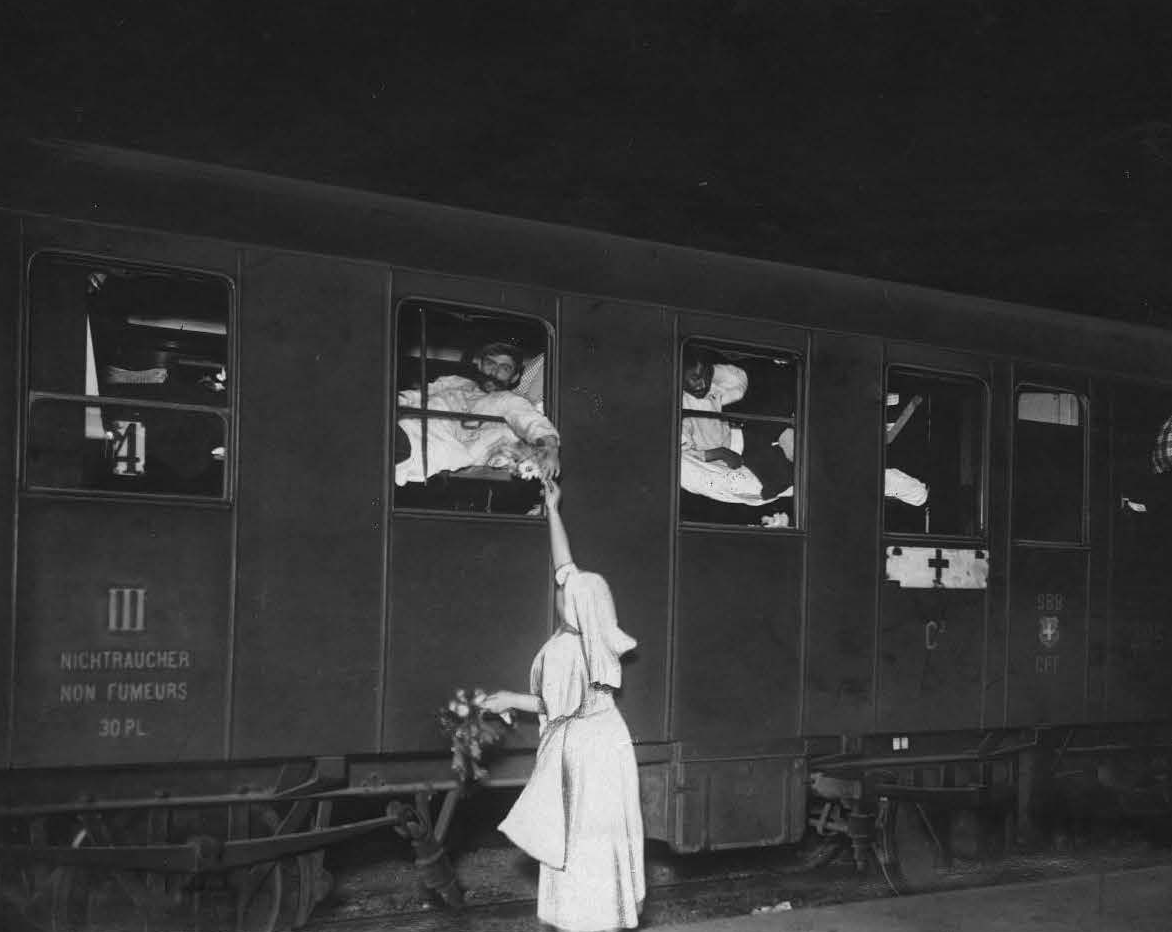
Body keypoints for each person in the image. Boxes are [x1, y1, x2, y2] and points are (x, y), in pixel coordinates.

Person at [482, 480, 645, 932]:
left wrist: (506, 699)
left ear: (572, 608)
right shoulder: (593, 627)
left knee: (575, 845)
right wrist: (553, 510)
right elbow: (566, 567)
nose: (559, 588)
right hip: (609, 746)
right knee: (603, 843)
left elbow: (553, 708)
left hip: (582, 757)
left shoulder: (565, 651)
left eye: (564, 592)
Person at [394, 340, 560, 485]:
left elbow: (530, 421)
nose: (494, 372)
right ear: (480, 364)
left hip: (429, 445)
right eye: (490, 363)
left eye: (505, 368)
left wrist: (550, 447)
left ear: (515, 377)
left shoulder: (508, 401)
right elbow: (411, 396)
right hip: (401, 425)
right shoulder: (453, 382)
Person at [680, 346, 793, 505]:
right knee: (777, 476)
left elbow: (739, 383)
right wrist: (719, 453)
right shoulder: (681, 407)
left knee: (776, 420)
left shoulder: (710, 389)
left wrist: (713, 370)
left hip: (736, 437)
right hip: (723, 454)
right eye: (695, 378)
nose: (703, 384)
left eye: (707, 376)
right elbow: (682, 454)